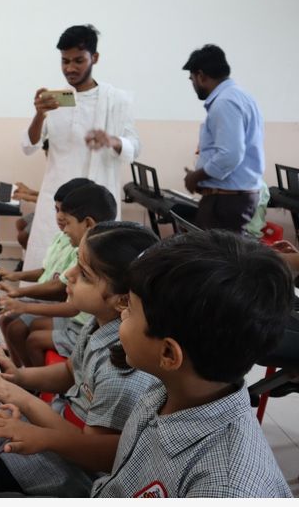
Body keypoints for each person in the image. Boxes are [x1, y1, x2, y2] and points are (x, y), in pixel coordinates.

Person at [91, 230, 293, 497]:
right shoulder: (168, 390)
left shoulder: (225, 489)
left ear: (168, 354)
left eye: (130, 309)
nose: (121, 312)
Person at [0, 221, 160, 497]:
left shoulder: (122, 370)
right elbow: (69, 372)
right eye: (76, 263)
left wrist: (24, 400)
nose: (68, 275)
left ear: (122, 301)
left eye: (84, 274)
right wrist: (20, 376)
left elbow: (90, 452)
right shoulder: (99, 323)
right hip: (63, 424)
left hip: (74, 472)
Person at [22, 24, 140, 269]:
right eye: (65, 61)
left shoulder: (116, 100)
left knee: (93, 272)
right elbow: (29, 145)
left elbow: (134, 147)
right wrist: (39, 115)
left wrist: (112, 140)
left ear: (94, 58)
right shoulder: (55, 99)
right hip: (56, 202)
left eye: (78, 60)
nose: (70, 68)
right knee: (47, 267)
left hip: (96, 206)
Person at [0, 183, 117, 367]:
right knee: (21, 327)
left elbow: (72, 307)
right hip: (83, 325)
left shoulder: (99, 260)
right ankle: (23, 374)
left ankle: (31, 384)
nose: (63, 227)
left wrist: (23, 303)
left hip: (81, 327)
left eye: (68, 221)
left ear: (88, 223)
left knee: (28, 334)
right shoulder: (86, 251)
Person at [182, 44, 265, 234]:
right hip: (233, 198)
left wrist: (196, 176)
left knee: (216, 259)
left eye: (192, 79)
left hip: (226, 202)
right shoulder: (241, 97)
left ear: (201, 76)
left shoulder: (224, 102)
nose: (193, 85)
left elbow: (230, 155)